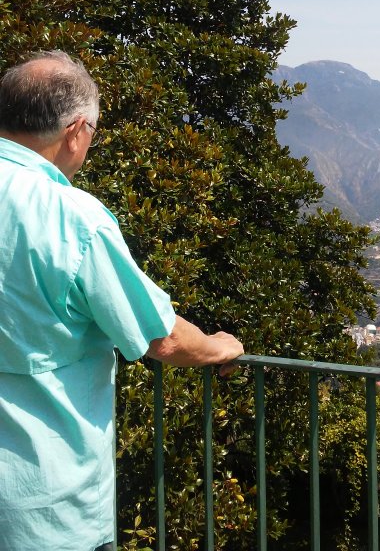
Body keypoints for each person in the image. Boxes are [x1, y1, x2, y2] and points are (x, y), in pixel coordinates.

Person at [0, 50, 244, 551]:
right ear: (76, 130)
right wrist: (221, 348)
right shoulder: (71, 217)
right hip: (47, 505)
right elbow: (161, 337)